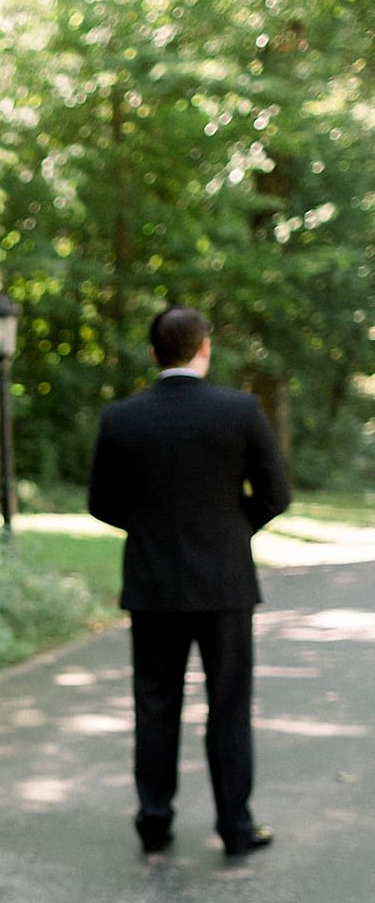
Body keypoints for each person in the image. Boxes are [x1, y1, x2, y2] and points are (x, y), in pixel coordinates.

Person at [88, 306, 291, 857]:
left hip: (152, 585)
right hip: (225, 587)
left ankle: (154, 823)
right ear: (204, 349)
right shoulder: (240, 411)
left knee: (154, 704)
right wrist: (228, 530)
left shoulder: (121, 418)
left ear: (154, 354)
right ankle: (235, 828)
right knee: (228, 706)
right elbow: (276, 495)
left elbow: (100, 503)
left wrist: (151, 528)